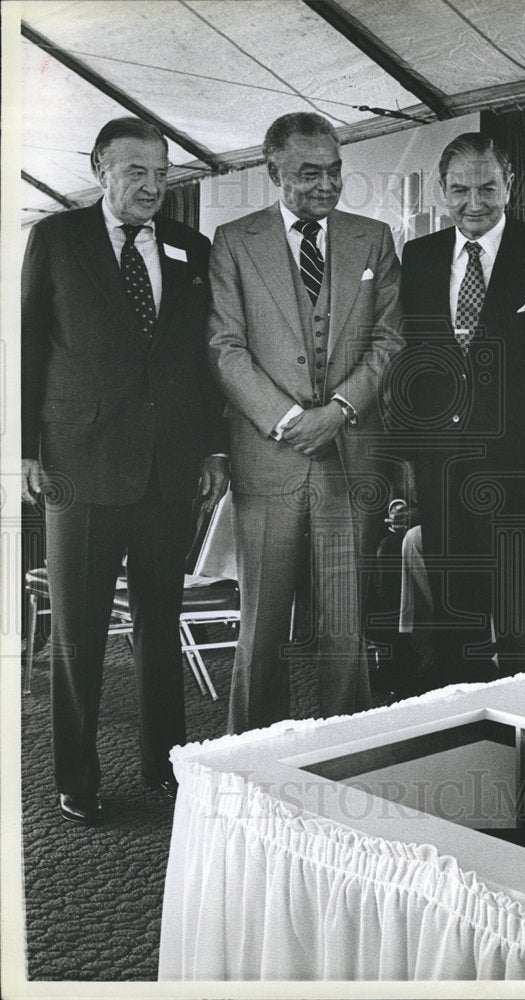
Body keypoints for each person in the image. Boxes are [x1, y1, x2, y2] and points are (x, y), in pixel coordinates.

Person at [21, 117, 229, 825]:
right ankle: (77, 778)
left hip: (169, 469)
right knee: (78, 633)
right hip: (79, 466)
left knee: (159, 623)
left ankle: (164, 765)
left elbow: (202, 358)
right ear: (101, 170)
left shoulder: (191, 247)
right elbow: (26, 344)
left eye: (161, 173)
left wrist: (213, 448)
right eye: (135, 171)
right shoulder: (57, 239)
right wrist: (23, 448)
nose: (151, 186)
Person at [207, 112, 403, 733]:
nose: (326, 184)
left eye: (335, 170)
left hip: (351, 456)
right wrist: (289, 419)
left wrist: (339, 411)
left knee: (345, 626)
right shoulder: (233, 241)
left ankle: (345, 752)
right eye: (309, 172)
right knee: (261, 625)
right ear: (274, 171)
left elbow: (389, 340)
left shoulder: (374, 239)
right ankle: (251, 755)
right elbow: (225, 348)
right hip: (268, 458)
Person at [388, 133, 525, 687]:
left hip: (518, 468)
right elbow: (409, 362)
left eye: (488, 187)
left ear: (511, 185)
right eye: (460, 189)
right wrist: (410, 464)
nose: (474, 202)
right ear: (443, 189)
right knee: (453, 622)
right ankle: (465, 728)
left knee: (521, 623)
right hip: (440, 472)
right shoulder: (419, 257)